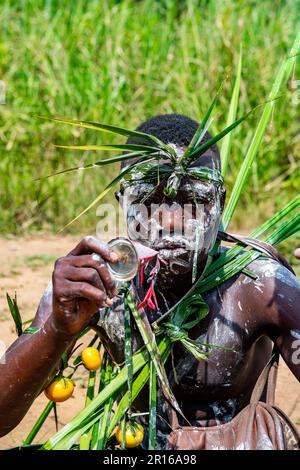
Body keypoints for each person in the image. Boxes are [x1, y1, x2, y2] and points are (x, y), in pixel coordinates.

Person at [0, 114, 299, 449]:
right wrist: (57, 328)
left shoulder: (258, 285)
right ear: (122, 202)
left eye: (192, 201)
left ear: (220, 202)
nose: (171, 221)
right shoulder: (96, 283)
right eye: (148, 201)